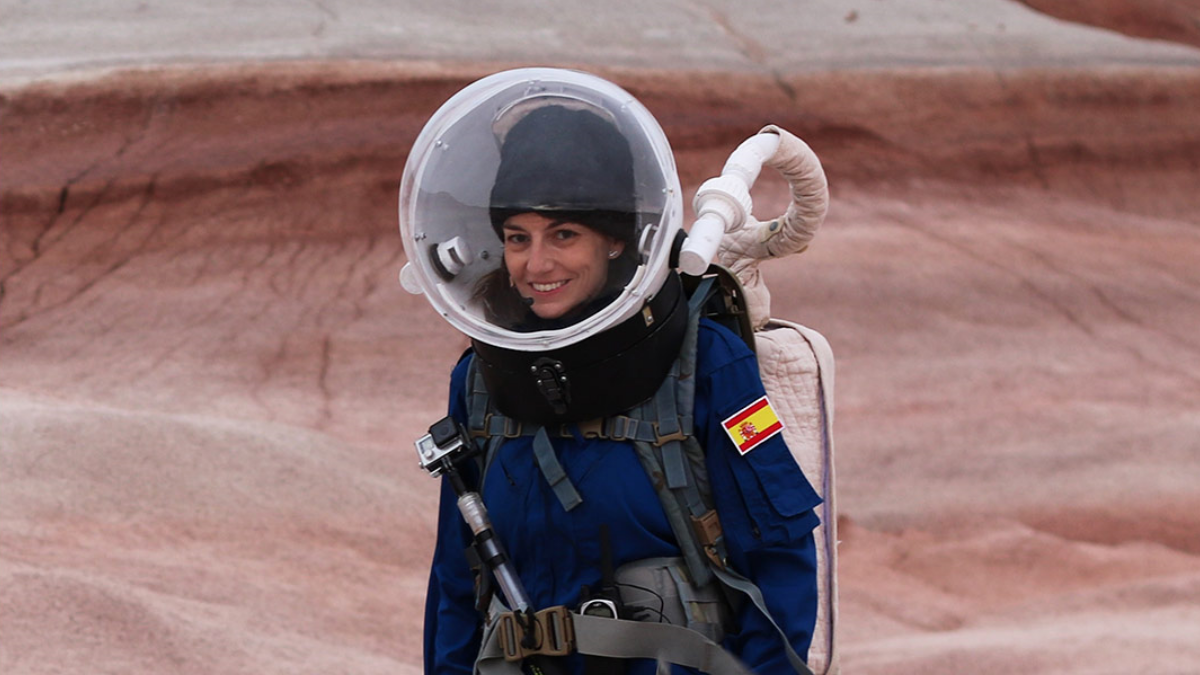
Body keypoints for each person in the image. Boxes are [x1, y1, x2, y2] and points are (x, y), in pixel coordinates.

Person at [399, 69, 822, 675]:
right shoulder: (481, 379)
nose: (535, 263)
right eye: (517, 237)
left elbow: (776, 555)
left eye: (563, 235)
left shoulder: (706, 363)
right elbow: (456, 581)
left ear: (617, 241)